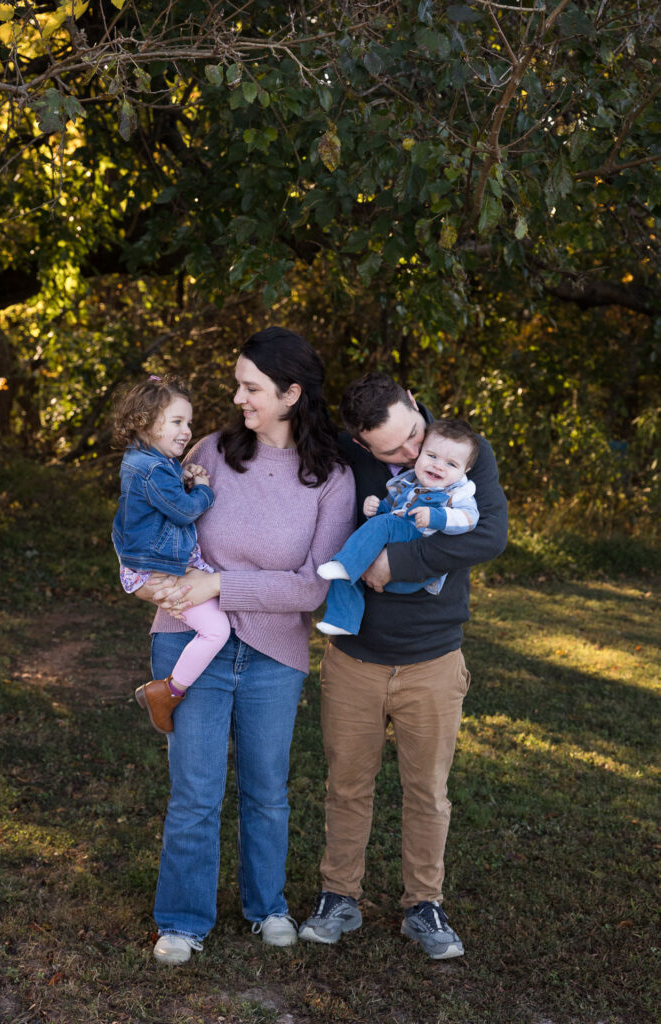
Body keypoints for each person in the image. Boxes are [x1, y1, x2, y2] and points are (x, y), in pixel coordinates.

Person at [136, 327, 355, 965]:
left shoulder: (330, 478)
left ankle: (267, 908)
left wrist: (222, 584)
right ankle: (182, 921)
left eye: (251, 387)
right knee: (196, 791)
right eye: (238, 384)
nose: (237, 397)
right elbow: (159, 524)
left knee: (267, 790)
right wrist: (157, 574)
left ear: (291, 394)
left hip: (274, 653)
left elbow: (315, 585)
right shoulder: (210, 451)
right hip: (189, 641)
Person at [298, 373, 507, 959]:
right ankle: (338, 896)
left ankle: (424, 904)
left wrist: (396, 563)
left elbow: (489, 536)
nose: (415, 456)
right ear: (363, 445)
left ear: (416, 403)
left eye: (414, 435)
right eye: (393, 451)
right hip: (355, 656)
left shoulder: (464, 449)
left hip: (433, 657)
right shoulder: (347, 456)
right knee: (346, 786)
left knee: (428, 792)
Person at [111, 376, 231, 734]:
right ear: (146, 423)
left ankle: (168, 690)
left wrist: (184, 475)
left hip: (150, 564)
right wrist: (204, 490)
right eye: (177, 422)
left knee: (216, 601)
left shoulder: (149, 462)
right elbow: (182, 511)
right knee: (216, 630)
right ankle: (167, 692)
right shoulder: (151, 470)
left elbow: (160, 499)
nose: (187, 431)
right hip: (154, 570)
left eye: (189, 422)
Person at [316, 419, 480, 636]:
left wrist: (438, 517)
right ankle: (342, 621)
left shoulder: (459, 492)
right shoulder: (408, 483)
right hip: (395, 543)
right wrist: (374, 508)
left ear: (465, 470)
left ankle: (346, 565)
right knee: (351, 561)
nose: (438, 466)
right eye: (432, 456)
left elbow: (470, 519)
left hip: (417, 558)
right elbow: (389, 510)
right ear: (419, 455)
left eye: (451, 464)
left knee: (354, 555)